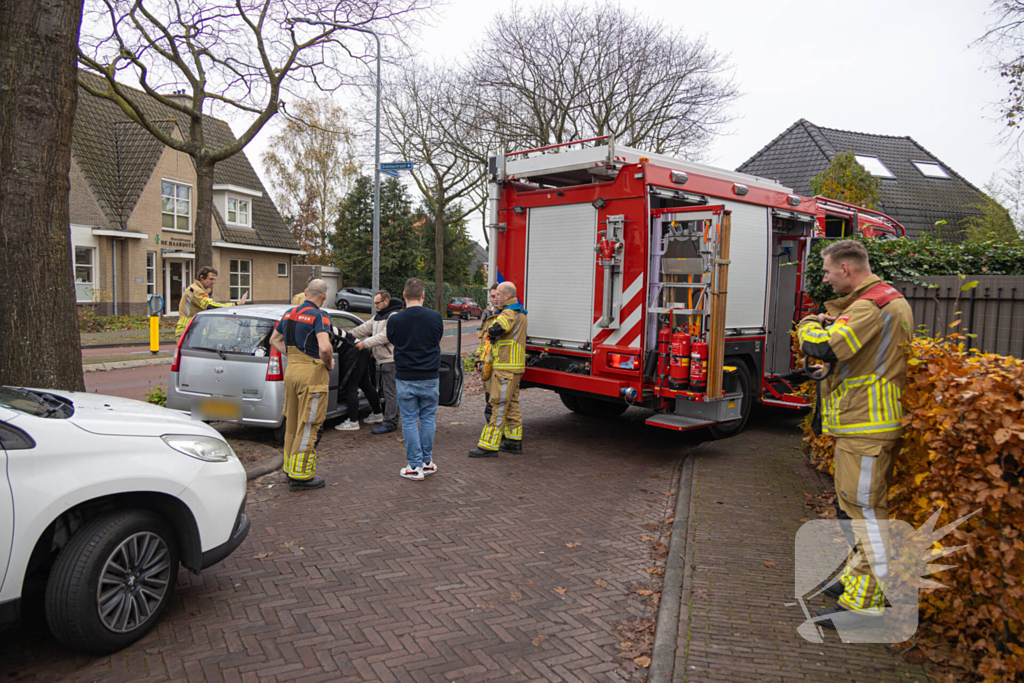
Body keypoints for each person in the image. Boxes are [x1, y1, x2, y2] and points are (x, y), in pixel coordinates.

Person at [796, 240, 913, 630]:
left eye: (828, 271)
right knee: (853, 509)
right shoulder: (883, 299)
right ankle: (857, 581)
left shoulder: (871, 305)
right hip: (864, 424)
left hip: (868, 427)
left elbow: (826, 346)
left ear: (847, 269)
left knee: (864, 514)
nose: (826, 278)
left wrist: (807, 325)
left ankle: (865, 604)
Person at [269, 279, 335, 492]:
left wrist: (294, 357)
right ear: (324, 296)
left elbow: (274, 340)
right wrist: (328, 363)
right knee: (309, 423)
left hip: (292, 371)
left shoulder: (289, 313)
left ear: (306, 292)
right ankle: (301, 476)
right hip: (311, 374)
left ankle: (289, 468)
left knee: (293, 421)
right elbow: (325, 348)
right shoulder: (320, 316)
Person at [385, 277, 444, 481]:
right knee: (428, 418)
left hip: (406, 376)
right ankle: (427, 462)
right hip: (430, 376)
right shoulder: (435, 317)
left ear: (403, 295)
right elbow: (437, 338)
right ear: (423, 295)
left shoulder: (394, 319)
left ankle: (414, 465)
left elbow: (392, 339)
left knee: (409, 420)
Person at [469, 281, 528, 458]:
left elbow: (496, 329)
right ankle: (513, 442)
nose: (496, 298)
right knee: (512, 406)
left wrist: (493, 324)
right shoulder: (521, 313)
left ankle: (488, 446)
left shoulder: (509, 312)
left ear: (507, 297)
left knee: (498, 405)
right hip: (515, 368)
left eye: (498, 295)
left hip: (504, 368)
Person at [344, 290, 404, 434]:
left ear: (386, 302)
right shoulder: (379, 316)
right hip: (381, 359)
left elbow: (385, 336)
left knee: (390, 392)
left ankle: (390, 422)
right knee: (386, 390)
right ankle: (389, 418)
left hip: (390, 359)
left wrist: (364, 344)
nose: (375, 305)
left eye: (377, 303)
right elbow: (364, 328)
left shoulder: (393, 316)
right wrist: (345, 335)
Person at [176, 266, 246, 338]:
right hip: (188, 330)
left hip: (193, 328)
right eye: (211, 279)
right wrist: (236, 304)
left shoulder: (200, 289)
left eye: (214, 279)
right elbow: (211, 306)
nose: (213, 282)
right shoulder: (196, 290)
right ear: (201, 277)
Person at [332, 341, 384, 431]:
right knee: (365, 384)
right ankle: (377, 414)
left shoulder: (322, 328)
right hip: (360, 350)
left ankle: (353, 422)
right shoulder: (330, 328)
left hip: (353, 351)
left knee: (351, 386)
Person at [476, 283, 501, 423]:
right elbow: (483, 341)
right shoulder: (487, 315)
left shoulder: (505, 316)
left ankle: (495, 431)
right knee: (488, 398)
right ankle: (492, 427)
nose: (495, 299)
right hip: (487, 364)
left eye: (497, 296)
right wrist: (478, 359)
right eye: (492, 296)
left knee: (497, 401)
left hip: (500, 365)